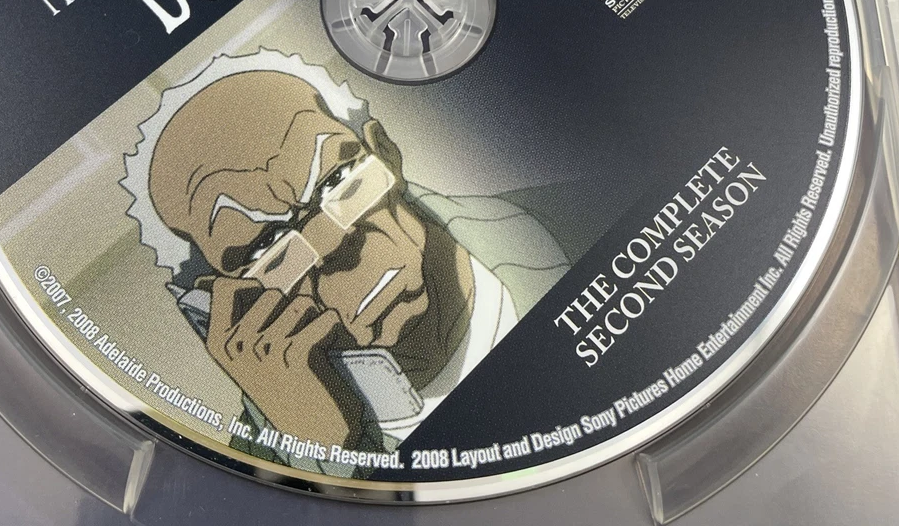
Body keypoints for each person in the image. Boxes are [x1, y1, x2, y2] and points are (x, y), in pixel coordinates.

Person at [123, 50, 569, 469]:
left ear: (384, 153)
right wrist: (326, 452)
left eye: (337, 179)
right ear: (224, 303)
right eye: (265, 245)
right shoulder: (243, 475)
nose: (333, 244)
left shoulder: (575, 220)